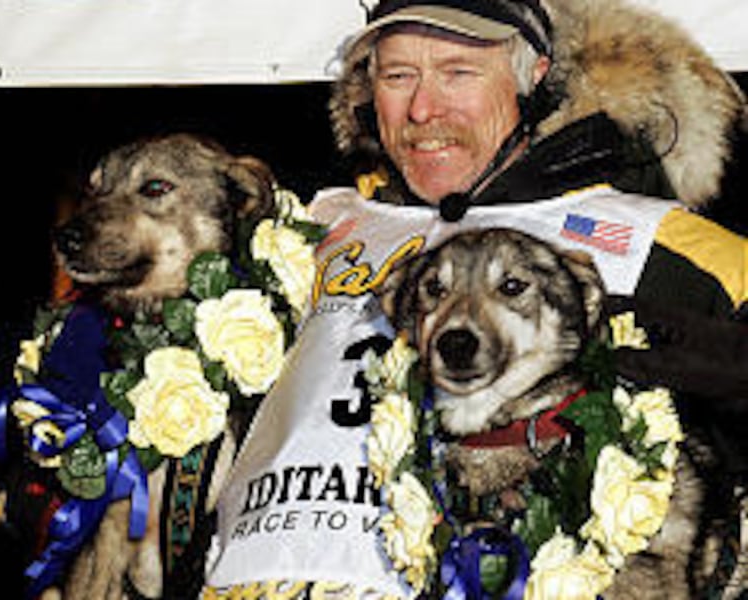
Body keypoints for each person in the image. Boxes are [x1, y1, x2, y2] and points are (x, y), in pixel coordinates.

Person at [204, 0, 747, 597]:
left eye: (458, 73)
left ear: (533, 76)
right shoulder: (316, 227)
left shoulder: (655, 242)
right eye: (397, 76)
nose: (422, 108)